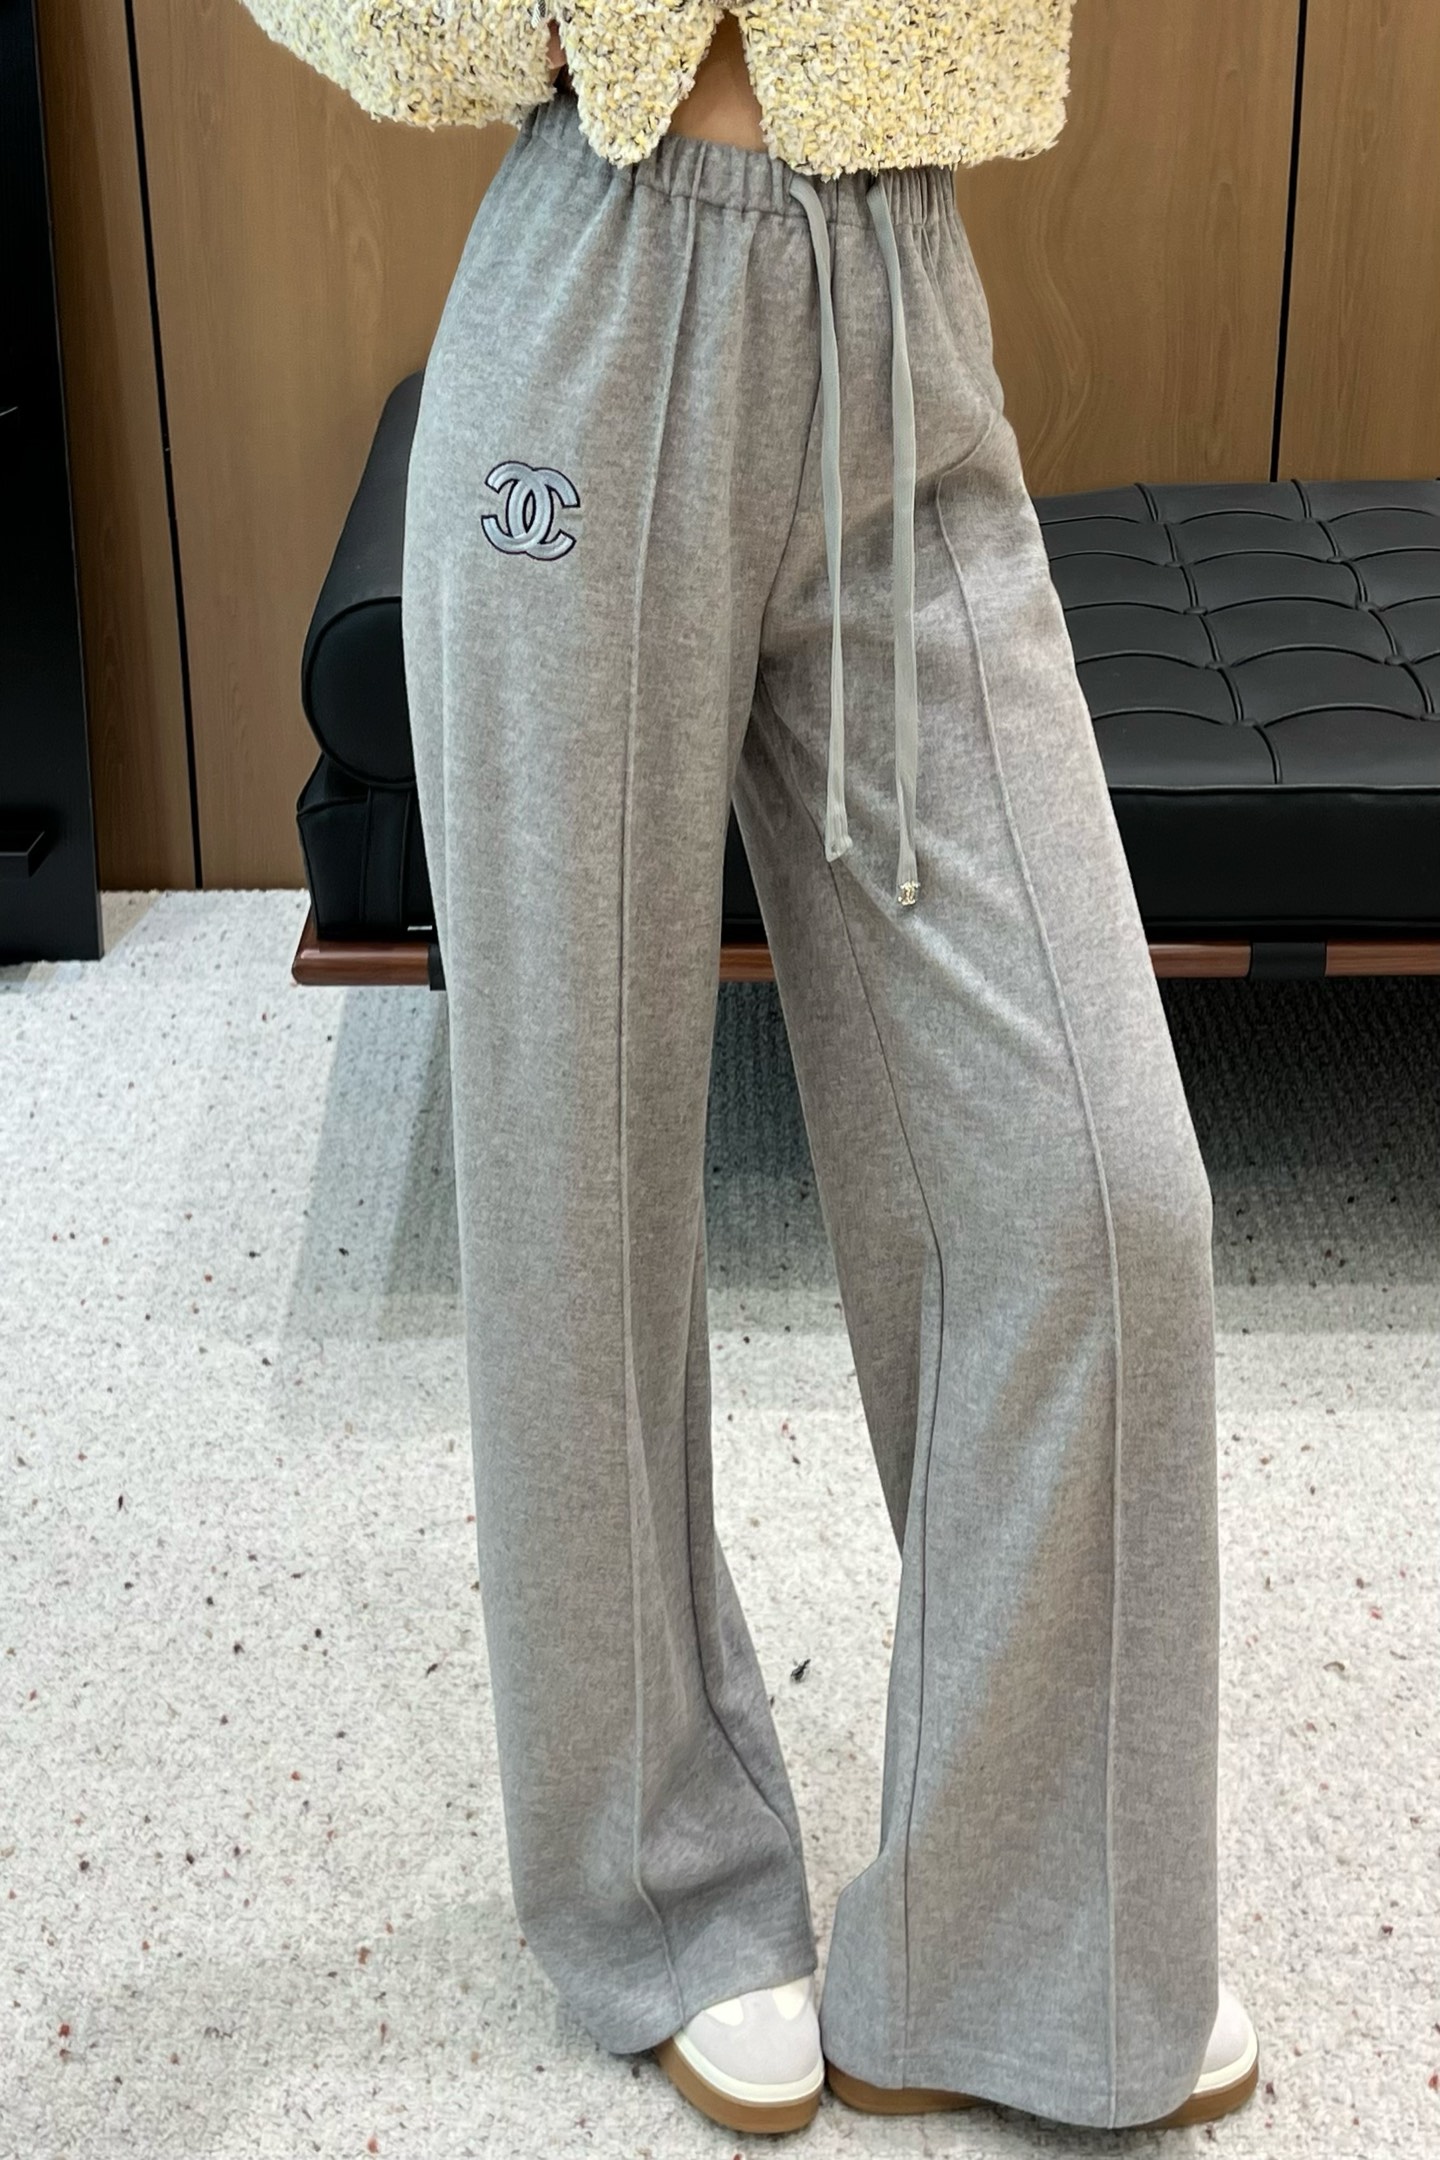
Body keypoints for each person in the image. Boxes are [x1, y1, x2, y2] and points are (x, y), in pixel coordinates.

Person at [239, 0, 1260, 2138]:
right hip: (593, 312)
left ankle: (1031, 1935)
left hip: (905, 314)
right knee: (577, 1182)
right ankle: (662, 1885)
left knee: (1100, 1193)